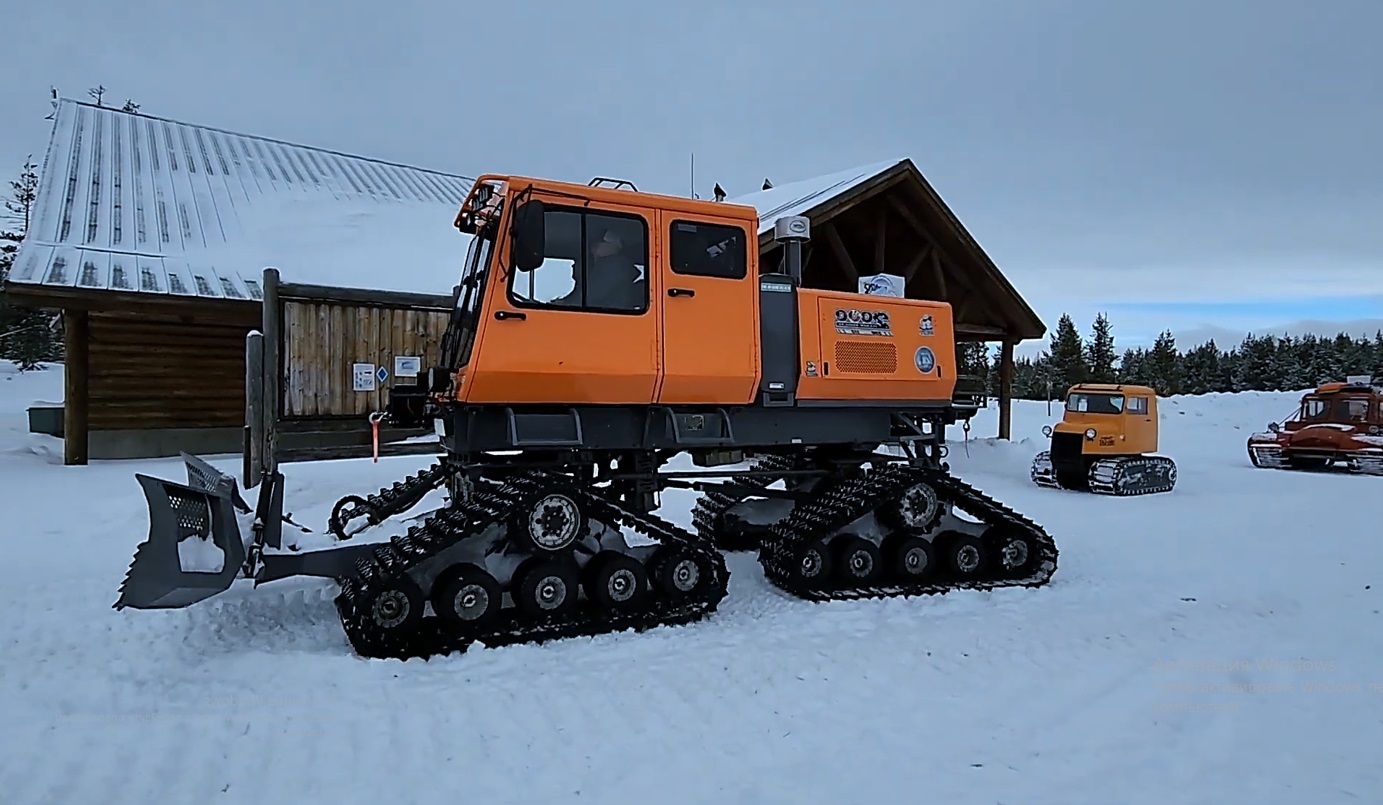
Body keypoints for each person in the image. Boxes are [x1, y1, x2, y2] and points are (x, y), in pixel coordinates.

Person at [553, 228, 644, 310]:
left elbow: (588, 297)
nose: (594, 246)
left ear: (617, 246)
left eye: (601, 242)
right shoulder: (606, 268)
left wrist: (564, 305)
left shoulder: (613, 266)